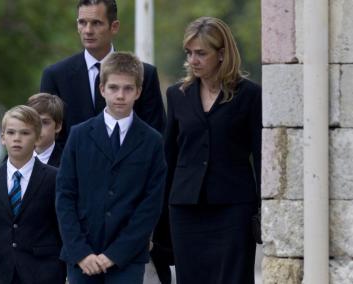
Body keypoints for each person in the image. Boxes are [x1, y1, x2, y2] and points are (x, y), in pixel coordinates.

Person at [55, 52, 167, 284]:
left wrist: (115, 254)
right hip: (81, 256)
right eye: (114, 88)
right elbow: (65, 196)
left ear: (138, 91)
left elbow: (150, 205)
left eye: (128, 89)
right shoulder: (79, 135)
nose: (120, 95)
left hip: (128, 258)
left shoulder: (152, 141)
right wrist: (81, 252)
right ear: (102, 88)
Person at [165, 17, 262, 284]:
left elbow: (262, 156)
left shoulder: (250, 95)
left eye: (201, 53)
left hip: (234, 209)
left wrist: (264, 209)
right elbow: (169, 157)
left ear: (222, 54)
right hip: (186, 210)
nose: (193, 60)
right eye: (189, 53)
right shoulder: (177, 95)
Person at [40, 0, 166, 149]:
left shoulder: (146, 74)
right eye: (82, 22)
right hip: (73, 170)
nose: (88, 30)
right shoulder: (55, 76)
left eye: (96, 23)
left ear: (114, 27)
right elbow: (47, 137)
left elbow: (156, 135)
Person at [0, 105, 66, 284]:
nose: (17, 138)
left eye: (25, 133)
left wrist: (70, 270)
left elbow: (65, 227)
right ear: (3, 138)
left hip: (46, 273)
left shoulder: (54, 178)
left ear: (37, 137)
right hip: (3, 274)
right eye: (11, 133)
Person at [27, 92, 65, 167]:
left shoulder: (67, 161)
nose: (37, 128)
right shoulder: (12, 159)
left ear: (57, 126)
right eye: (32, 121)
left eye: (44, 122)